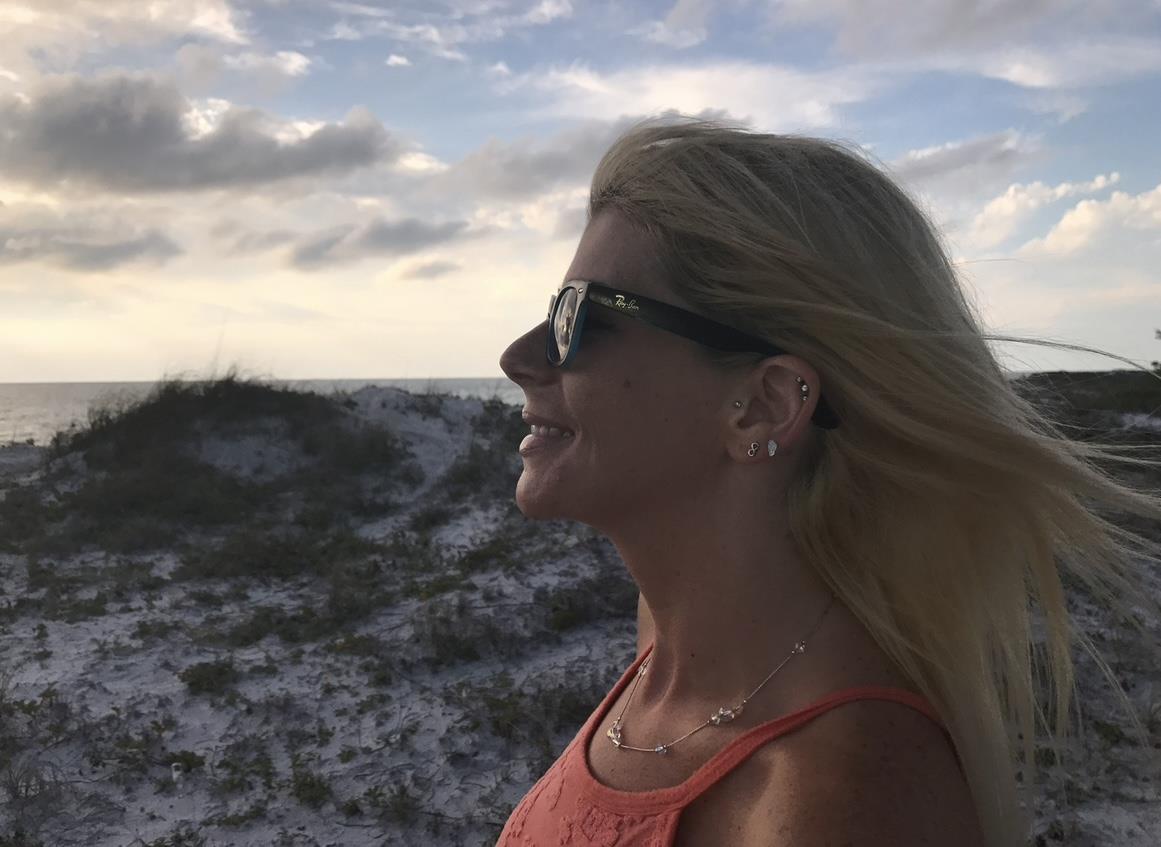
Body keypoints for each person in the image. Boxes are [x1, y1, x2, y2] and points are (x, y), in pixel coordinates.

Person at [496, 117, 1161, 847]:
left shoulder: (836, 801)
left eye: (578, 318)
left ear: (766, 404)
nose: (519, 355)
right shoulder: (676, 639)